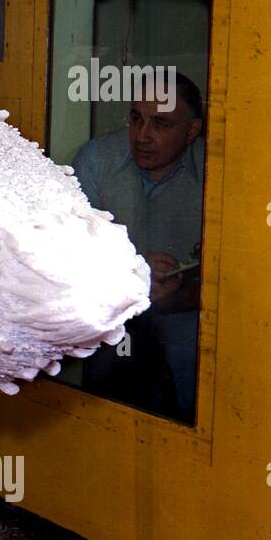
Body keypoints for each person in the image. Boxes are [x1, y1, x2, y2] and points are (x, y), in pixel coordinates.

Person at [71, 73, 204, 419]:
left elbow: (245, 278)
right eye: (136, 119)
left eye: (160, 123)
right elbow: (64, 257)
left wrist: (182, 294)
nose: (142, 136)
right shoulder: (97, 161)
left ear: (191, 132)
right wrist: (129, 279)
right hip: (110, 334)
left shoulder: (220, 171)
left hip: (189, 338)